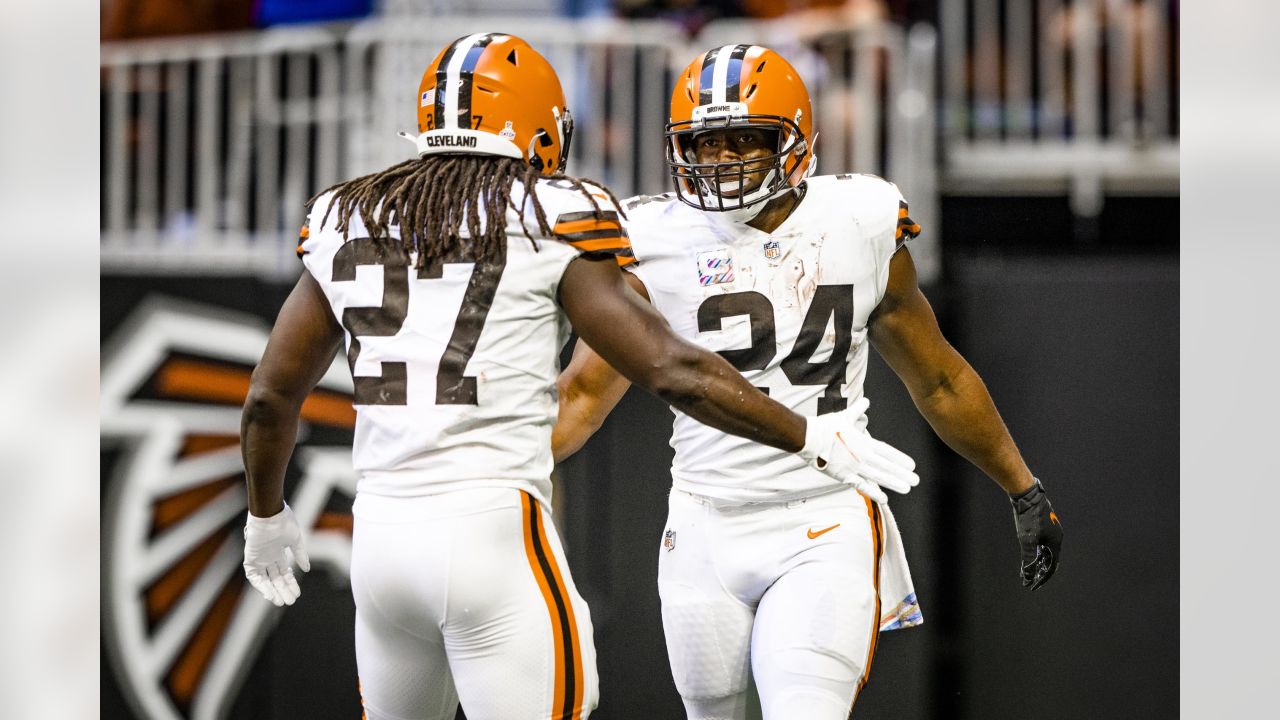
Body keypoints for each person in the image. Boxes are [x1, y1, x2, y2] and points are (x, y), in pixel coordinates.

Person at [238, 33, 919, 720]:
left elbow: (268, 399)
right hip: (492, 531)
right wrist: (810, 436)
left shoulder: (343, 214)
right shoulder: (555, 213)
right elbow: (671, 370)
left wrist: (265, 516)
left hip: (380, 537)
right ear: (538, 130)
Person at [552, 44, 1064, 719]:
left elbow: (937, 377)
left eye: (744, 140)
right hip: (703, 525)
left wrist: (1022, 487)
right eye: (705, 144)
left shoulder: (858, 220)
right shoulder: (652, 236)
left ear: (794, 140)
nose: (722, 160)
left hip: (822, 517)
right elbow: (585, 394)